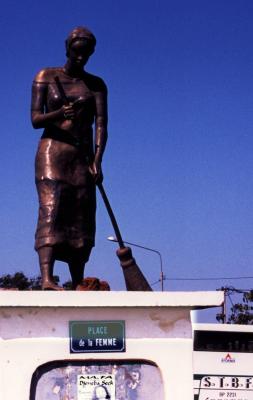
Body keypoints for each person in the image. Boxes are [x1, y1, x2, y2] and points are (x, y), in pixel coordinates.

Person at [31, 27, 108, 290]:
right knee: (52, 209)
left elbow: (101, 127)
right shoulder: (46, 76)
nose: (80, 58)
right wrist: (59, 113)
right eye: (76, 52)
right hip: (53, 152)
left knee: (82, 212)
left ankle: (77, 279)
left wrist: (98, 159)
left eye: (86, 54)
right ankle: (46, 277)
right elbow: (35, 119)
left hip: (81, 156)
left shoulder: (96, 85)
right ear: (67, 49)